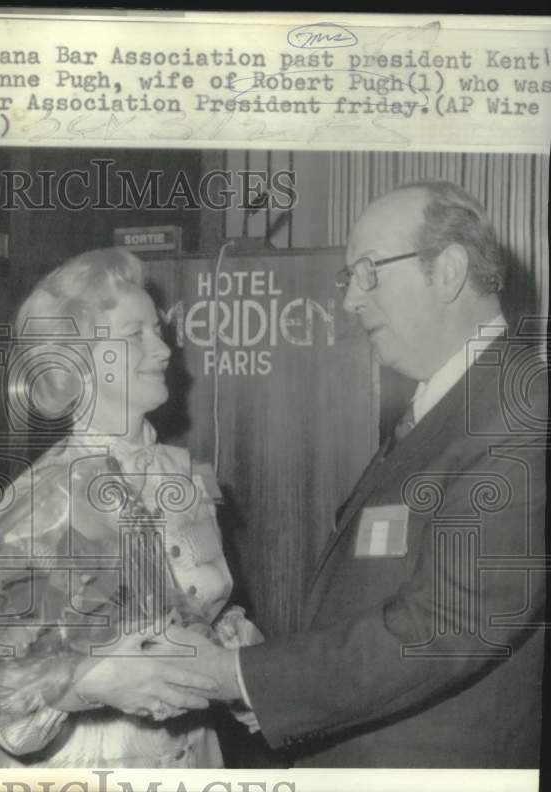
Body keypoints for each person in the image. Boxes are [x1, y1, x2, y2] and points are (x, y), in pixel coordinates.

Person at [0, 248, 260, 768]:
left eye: (158, 330)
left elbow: (191, 611)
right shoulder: (48, 496)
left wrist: (234, 649)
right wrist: (93, 684)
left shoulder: (179, 476)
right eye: (134, 335)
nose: (162, 350)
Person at [179, 181, 546, 767]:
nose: (350, 301)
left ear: (448, 270)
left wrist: (244, 678)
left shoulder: (519, 413)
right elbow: (379, 592)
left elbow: (444, 628)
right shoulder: (457, 400)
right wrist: (272, 664)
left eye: (370, 271)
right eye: (350, 278)